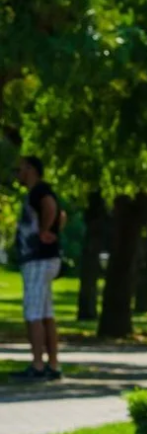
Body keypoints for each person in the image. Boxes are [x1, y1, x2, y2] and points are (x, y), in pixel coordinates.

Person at [13, 156, 64, 381]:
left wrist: (44, 231)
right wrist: (53, 231)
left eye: (20, 168)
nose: (17, 173)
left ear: (31, 169)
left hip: (38, 260)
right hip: (44, 259)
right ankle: (52, 365)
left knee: (32, 313)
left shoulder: (39, 191)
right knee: (45, 313)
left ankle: (38, 365)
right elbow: (62, 215)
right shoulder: (41, 191)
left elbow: (52, 208)